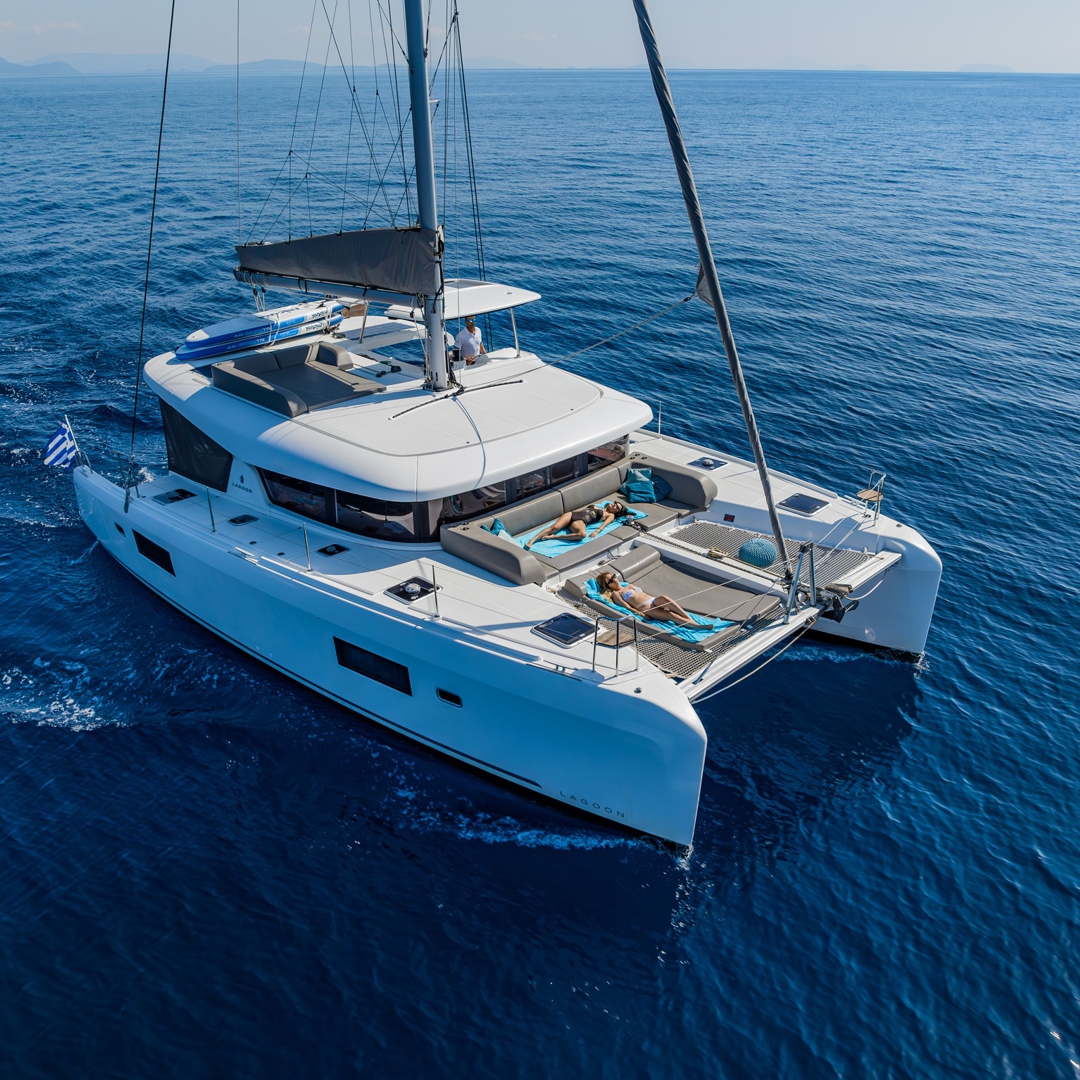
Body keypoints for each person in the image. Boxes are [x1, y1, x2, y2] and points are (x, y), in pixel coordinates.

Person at [594, 570, 695, 625]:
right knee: (671, 615)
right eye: (610, 581)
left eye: (613, 577)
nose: (614, 580)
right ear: (608, 586)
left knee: (664, 597)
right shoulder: (616, 594)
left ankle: (689, 618)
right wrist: (641, 615)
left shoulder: (629, 585)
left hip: (653, 600)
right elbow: (627, 607)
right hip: (646, 608)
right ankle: (696, 626)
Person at [524, 501, 628, 550]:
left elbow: (605, 524)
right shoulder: (602, 505)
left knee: (582, 534)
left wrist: (597, 531)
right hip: (572, 515)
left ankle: (554, 536)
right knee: (554, 527)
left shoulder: (610, 515)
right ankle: (532, 541)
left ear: (617, 512)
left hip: (581, 522)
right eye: (615, 503)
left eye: (616, 506)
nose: (614, 504)